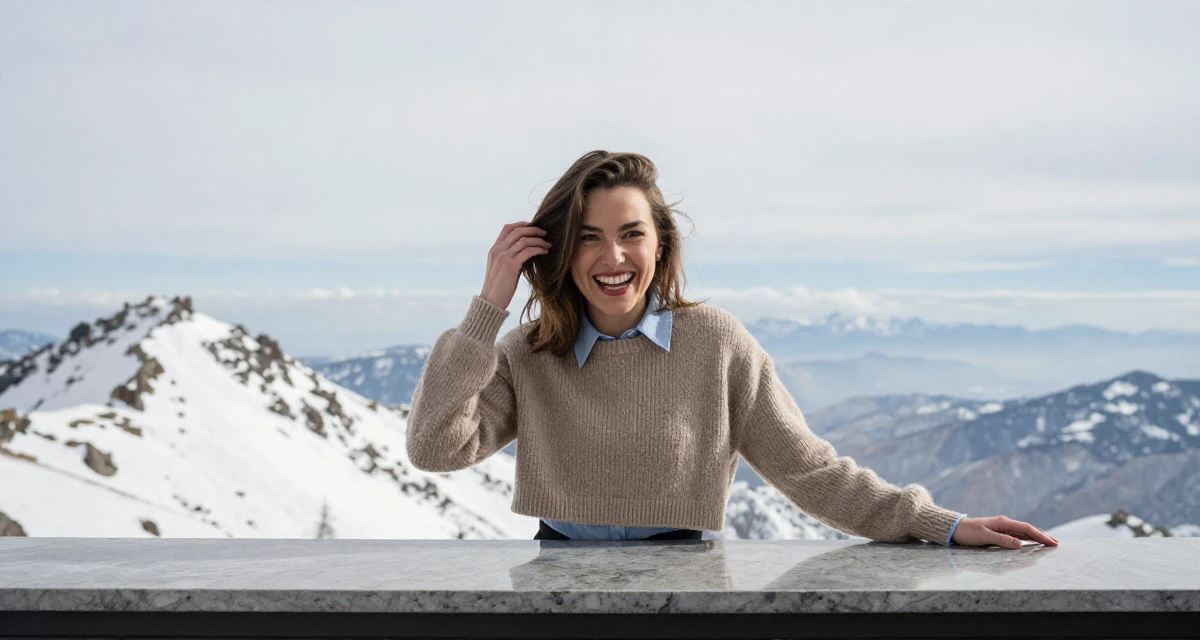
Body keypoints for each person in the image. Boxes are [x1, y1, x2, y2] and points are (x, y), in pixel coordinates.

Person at [406, 150, 1059, 549]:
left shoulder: (713, 343)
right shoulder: (529, 352)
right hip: (555, 592)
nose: (612, 257)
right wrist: (487, 307)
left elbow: (810, 469)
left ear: (660, 243)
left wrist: (937, 523)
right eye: (587, 237)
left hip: (687, 592)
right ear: (557, 249)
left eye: (631, 233)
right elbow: (435, 447)